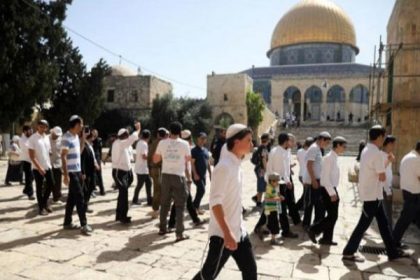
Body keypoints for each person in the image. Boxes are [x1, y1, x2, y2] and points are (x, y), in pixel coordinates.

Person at [193, 124, 257, 280]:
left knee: (250, 270)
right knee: (207, 275)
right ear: (236, 142)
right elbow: (215, 203)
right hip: (223, 234)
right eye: (249, 140)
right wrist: (227, 233)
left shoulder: (236, 164)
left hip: (239, 231)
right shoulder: (224, 167)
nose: (252, 144)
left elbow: (245, 152)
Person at [342, 125, 409, 262]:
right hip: (372, 196)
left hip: (374, 195)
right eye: (383, 136)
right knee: (363, 225)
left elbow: (377, 170)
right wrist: (386, 164)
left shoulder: (367, 150)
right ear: (379, 137)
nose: (383, 139)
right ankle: (348, 252)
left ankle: (392, 252)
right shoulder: (376, 153)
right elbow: (382, 176)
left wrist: (386, 163)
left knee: (383, 226)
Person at [153, 122, 191, 242]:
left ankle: (162, 228)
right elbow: (188, 159)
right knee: (180, 205)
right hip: (178, 176)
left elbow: (155, 159)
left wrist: (166, 157)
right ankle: (179, 234)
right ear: (180, 132)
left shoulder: (162, 143)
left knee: (164, 203)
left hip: (165, 175)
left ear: (170, 130)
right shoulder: (185, 144)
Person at [307, 137, 347, 245]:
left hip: (331, 188)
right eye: (343, 146)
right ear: (337, 145)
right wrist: (332, 193)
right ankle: (314, 229)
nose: (345, 149)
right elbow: (325, 178)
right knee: (333, 216)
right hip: (328, 189)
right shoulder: (329, 158)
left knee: (331, 216)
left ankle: (327, 238)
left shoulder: (334, 157)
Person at [168, 130, 206, 230]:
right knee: (180, 201)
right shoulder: (186, 148)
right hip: (182, 178)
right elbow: (185, 166)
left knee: (187, 200)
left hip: (175, 176)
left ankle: (195, 220)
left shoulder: (176, 147)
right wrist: (189, 178)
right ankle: (172, 224)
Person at [62, 115, 93, 235]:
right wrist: (65, 175)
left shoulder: (75, 137)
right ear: (76, 125)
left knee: (72, 198)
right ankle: (84, 224)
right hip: (71, 172)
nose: (83, 126)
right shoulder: (66, 137)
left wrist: (83, 138)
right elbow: (63, 156)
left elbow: (79, 152)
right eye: (81, 124)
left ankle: (67, 222)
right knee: (80, 197)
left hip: (78, 171)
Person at [265, 133, 298, 238]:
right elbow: (276, 170)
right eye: (290, 140)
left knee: (279, 208)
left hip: (278, 182)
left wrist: (287, 181)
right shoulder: (278, 153)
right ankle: (283, 231)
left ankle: (281, 230)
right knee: (278, 209)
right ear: (286, 141)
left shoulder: (282, 151)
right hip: (276, 183)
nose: (291, 142)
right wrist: (277, 187)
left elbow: (284, 170)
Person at [392, 142, 420, 250]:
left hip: (408, 192)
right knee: (405, 219)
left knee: (416, 218)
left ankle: (394, 241)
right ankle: (393, 242)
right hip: (414, 194)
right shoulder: (417, 159)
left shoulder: (407, 156)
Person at [112, 122, 141, 224]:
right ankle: (122, 217)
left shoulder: (123, 144)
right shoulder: (120, 143)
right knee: (123, 194)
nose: (128, 136)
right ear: (123, 136)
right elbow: (133, 138)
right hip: (119, 172)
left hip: (126, 172)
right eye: (127, 134)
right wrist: (138, 129)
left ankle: (119, 215)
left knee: (122, 194)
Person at [302, 131, 331, 229]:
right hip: (312, 181)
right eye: (326, 143)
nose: (327, 145)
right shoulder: (314, 148)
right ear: (322, 139)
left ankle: (314, 224)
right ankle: (307, 224)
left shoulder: (317, 148)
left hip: (316, 179)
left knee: (316, 203)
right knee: (310, 203)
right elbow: (309, 165)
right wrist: (313, 180)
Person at [28, 120, 54, 216]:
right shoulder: (32, 139)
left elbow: (48, 150)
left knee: (51, 184)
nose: (43, 128)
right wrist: (39, 168)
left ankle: (44, 202)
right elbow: (32, 156)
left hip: (47, 165)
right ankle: (41, 208)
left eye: (45, 126)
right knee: (39, 188)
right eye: (41, 126)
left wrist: (49, 153)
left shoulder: (46, 138)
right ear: (37, 126)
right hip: (37, 167)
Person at [254, 172, 284, 246]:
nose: (278, 184)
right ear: (272, 181)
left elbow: (274, 194)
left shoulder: (271, 187)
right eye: (277, 182)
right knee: (274, 224)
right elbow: (267, 199)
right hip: (271, 209)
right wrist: (277, 199)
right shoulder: (270, 188)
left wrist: (279, 196)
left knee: (270, 223)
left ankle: (261, 229)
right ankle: (273, 240)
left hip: (271, 209)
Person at [147, 127, 169, 219]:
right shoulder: (162, 143)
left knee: (158, 189)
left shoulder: (155, 142)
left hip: (155, 168)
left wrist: (149, 168)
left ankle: (157, 208)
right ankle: (156, 209)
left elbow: (149, 156)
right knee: (159, 190)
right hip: (158, 168)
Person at [191, 132, 212, 212]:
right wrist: (195, 174)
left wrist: (210, 173)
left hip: (203, 175)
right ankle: (194, 206)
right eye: (201, 138)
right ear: (198, 139)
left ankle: (196, 207)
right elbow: (192, 163)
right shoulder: (194, 150)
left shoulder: (206, 150)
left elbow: (208, 162)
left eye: (204, 138)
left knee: (200, 190)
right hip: (196, 174)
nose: (203, 140)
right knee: (202, 190)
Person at [132, 129, 152, 205]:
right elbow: (144, 156)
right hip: (142, 168)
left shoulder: (139, 143)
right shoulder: (144, 144)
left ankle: (149, 200)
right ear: (148, 137)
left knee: (149, 183)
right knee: (140, 185)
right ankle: (135, 199)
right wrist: (151, 157)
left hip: (142, 168)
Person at [285, 133, 302, 225]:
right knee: (288, 198)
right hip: (282, 178)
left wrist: (289, 168)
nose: (294, 142)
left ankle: (294, 216)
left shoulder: (288, 151)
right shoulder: (280, 152)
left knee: (290, 198)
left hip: (287, 176)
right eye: (292, 140)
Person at [381, 135, 396, 230]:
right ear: (389, 144)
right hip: (384, 188)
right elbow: (383, 173)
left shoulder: (388, 155)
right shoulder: (382, 156)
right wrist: (388, 191)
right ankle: (390, 233)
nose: (394, 146)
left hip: (386, 187)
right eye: (393, 144)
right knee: (388, 212)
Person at [81, 130, 99, 213]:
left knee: (91, 187)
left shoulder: (90, 145)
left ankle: (85, 204)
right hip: (87, 172)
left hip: (92, 170)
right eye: (93, 136)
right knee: (86, 190)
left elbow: (92, 156)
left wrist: (95, 163)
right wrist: (83, 172)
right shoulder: (84, 146)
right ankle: (84, 206)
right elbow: (82, 161)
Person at [251, 133, 270, 208]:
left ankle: (256, 198)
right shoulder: (264, 148)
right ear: (267, 140)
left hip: (258, 168)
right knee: (261, 184)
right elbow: (263, 159)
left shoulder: (260, 146)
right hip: (261, 169)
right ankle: (258, 202)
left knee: (262, 184)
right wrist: (265, 169)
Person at [296, 137, 314, 211]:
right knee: (306, 193)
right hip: (306, 175)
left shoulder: (299, 151)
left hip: (301, 174)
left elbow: (298, 159)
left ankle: (301, 206)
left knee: (306, 192)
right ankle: (297, 207)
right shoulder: (310, 153)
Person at [19, 125, 34, 200]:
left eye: (31, 130)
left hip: (31, 161)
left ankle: (25, 190)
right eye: (29, 130)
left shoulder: (29, 138)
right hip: (26, 161)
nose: (31, 132)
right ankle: (30, 194)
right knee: (29, 178)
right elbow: (28, 149)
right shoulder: (22, 140)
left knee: (31, 177)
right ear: (25, 131)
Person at [49, 126, 63, 203]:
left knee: (58, 182)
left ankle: (56, 198)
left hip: (58, 163)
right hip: (48, 164)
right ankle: (45, 199)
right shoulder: (46, 139)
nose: (56, 136)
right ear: (52, 132)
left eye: (58, 135)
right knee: (48, 182)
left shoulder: (61, 140)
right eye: (55, 134)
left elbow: (62, 152)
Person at [92, 129, 105, 195]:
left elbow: (100, 150)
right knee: (92, 174)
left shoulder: (99, 140)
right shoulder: (90, 139)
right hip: (91, 158)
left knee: (99, 174)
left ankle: (102, 190)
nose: (94, 134)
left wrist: (100, 159)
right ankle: (93, 188)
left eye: (95, 133)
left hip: (97, 157)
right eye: (93, 133)